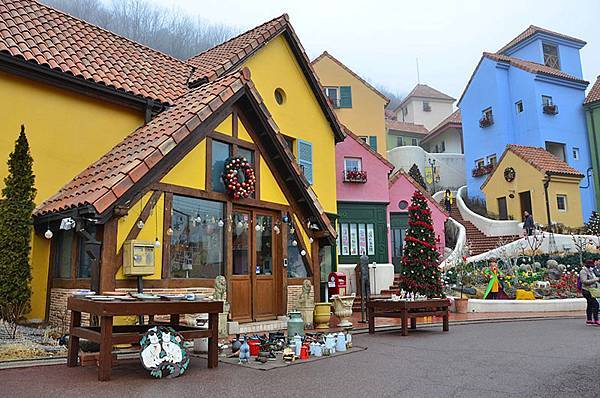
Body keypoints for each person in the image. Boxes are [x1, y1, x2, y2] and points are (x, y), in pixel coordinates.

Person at [580, 259, 600, 325]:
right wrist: (595, 280)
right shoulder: (583, 271)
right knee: (596, 304)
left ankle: (589, 319)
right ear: (586, 265)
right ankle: (596, 320)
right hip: (586, 290)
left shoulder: (590, 270)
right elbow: (584, 281)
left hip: (591, 290)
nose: (591, 266)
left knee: (590, 304)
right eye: (590, 265)